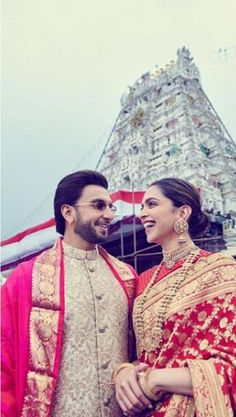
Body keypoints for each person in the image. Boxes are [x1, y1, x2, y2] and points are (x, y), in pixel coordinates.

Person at [1, 170, 138, 417]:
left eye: (110, 207)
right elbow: (4, 361)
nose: (108, 215)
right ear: (68, 212)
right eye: (98, 206)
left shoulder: (126, 277)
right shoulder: (27, 278)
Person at [115, 178, 236, 417]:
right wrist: (126, 372)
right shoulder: (143, 280)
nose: (143, 214)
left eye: (151, 204)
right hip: (146, 409)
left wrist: (157, 379)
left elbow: (231, 365)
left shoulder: (220, 269)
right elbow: (137, 354)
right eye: (142, 208)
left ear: (182, 212)